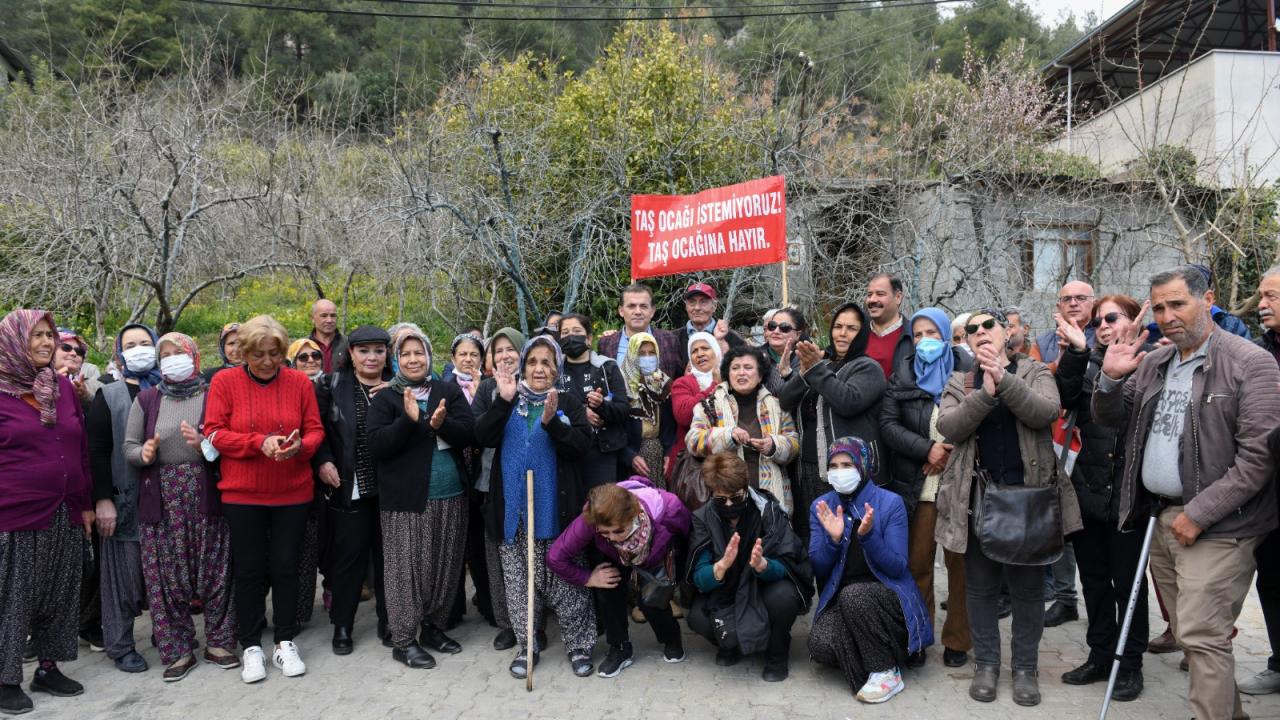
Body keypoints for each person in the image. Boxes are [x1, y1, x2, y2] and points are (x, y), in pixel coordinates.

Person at [1093, 265, 1280, 720]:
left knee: (1200, 633)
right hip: (1160, 520)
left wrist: (1198, 514)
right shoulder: (1156, 361)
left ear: (1208, 298)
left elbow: (1258, 457)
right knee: (1194, 633)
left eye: (1178, 303)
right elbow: (1110, 419)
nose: (1167, 315)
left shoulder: (1251, 362)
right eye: (1159, 307)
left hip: (1220, 525)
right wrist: (1111, 379)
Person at [935, 307, 1082, 707]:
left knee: (1027, 591)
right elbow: (949, 426)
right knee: (980, 590)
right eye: (972, 330)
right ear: (966, 341)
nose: (980, 332)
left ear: (1006, 334)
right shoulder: (960, 380)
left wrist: (1004, 379)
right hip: (978, 500)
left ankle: (1025, 669)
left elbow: (1045, 412)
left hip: (1029, 501)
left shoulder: (1034, 370)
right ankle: (986, 665)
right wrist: (985, 392)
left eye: (988, 326)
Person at [203, 314, 324, 684]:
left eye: (275, 354)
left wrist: (300, 447)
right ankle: (251, 644)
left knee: (287, 566)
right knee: (250, 569)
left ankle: (285, 640)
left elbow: (316, 430)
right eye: (259, 355)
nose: (268, 362)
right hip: (243, 493)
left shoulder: (299, 382)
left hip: (292, 491)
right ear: (244, 353)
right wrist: (259, 443)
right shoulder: (225, 381)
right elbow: (214, 433)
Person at [474, 335, 596, 680]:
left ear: (556, 368)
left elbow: (581, 446)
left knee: (563, 578)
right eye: (533, 362)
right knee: (518, 582)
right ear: (523, 365)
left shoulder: (568, 402)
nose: (539, 368)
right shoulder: (508, 399)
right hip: (512, 507)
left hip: (554, 508)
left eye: (546, 362)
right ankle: (527, 646)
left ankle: (578, 644)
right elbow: (481, 436)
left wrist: (553, 422)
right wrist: (503, 401)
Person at [122, 332, 238, 681]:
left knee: (217, 570)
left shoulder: (214, 394)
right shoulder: (146, 400)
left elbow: (227, 444)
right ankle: (177, 650)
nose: (173, 358)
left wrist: (204, 443)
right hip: (161, 496)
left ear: (194, 356)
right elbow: (128, 446)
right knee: (166, 577)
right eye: (166, 353)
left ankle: (219, 641)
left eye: (179, 352)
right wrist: (143, 454)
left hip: (206, 493)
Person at [1053, 295, 1150, 701]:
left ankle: (1129, 664)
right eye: (1097, 322)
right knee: (1093, 580)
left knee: (1129, 584)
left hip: (1129, 494)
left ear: (1132, 320)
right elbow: (1065, 397)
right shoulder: (1090, 362)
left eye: (1112, 318)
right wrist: (1076, 353)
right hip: (1087, 492)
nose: (1103, 326)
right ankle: (1099, 654)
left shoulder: (1152, 364)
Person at [0, 309, 93, 715]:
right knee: (14, 598)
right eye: (35, 335)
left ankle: (49, 668)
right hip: (15, 512)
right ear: (13, 341)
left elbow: (81, 449)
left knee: (59, 593)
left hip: (65, 509)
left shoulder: (62, 388)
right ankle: (5, 679)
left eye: (49, 335)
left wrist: (86, 503)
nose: (44, 343)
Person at [368, 327, 476, 669]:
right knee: (407, 572)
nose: (414, 359)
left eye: (419, 353)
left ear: (429, 356)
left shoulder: (448, 391)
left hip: (452, 495)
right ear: (397, 359)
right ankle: (403, 640)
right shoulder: (386, 398)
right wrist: (410, 422)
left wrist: (440, 424)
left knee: (444, 568)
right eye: (406, 354)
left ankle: (432, 628)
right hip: (405, 502)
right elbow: (377, 445)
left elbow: (468, 433)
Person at [880, 307, 973, 669]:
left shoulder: (967, 373)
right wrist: (926, 448)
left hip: (959, 486)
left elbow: (981, 416)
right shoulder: (902, 376)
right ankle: (918, 636)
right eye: (917, 335)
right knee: (917, 566)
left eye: (931, 334)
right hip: (917, 486)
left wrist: (948, 452)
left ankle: (958, 640)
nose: (924, 342)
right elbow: (888, 425)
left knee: (960, 568)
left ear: (946, 335)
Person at [808, 437, 933, 703]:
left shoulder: (890, 503)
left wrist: (868, 537)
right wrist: (833, 540)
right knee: (820, 644)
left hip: (887, 599)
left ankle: (885, 672)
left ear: (864, 465)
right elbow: (817, 567)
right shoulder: (822, 505)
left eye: (847, 464)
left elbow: (898, 567)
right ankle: (891, 653)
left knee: (855, 595)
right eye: (834, 465)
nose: (840, 472)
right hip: (844, 602)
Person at [685, 452, 812, 682]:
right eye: (721, 500)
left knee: (784, 597)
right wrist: (720, 567)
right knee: (697, 617)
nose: (730, 504)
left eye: (736, 497)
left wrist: (763, 565)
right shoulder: (702, 518)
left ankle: (777, 653)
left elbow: (790, 566)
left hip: (761, 589)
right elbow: (698, 576)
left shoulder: (768, 511)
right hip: (725, 592)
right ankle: (730, 644)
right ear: (712, 494)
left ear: (746, 488)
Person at [547, 478, 691, 677]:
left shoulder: (670, 509)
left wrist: (675, 574)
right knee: (607, 583)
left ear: (634, 516)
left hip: (660, 552)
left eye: (618, 531)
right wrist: (588, 578)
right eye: (604, 533)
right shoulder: (593, 517)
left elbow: (689, 539)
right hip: (616, 557)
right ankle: (619, 647)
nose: (612, 537)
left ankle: (672, 638)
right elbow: (555, 556)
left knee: (652, 600)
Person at [312, 326, 392, 656]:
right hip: (350, 484)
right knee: (350, 558)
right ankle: (342, 624)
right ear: (351, 354)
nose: (372, 357)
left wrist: (394, 396)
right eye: (364, 350)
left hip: (391, 487)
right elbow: (317, 430)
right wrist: (323, 461)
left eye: (379, 350)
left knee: (390, 559)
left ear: (388, 354)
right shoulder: (332, 385)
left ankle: (390, 620)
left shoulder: (398, 387)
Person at [87, 323, 162, 674]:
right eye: (131, 345)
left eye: (146, 343)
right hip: (124, 497)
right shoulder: (110, 393)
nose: (139, 349)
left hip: (166, 499)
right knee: (124, 579)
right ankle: (120, 645)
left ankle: (168, 632)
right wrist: (103, 500)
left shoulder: (171, 389)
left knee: (165, 574)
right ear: (119, 353)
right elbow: (97, 451)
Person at [777, 302, 886, 543]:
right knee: (813, 539)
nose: (842, 333)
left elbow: (847, 401)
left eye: (851, 328)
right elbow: (785, 399)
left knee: (844, 539)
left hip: (844, 473)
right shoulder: (822, 364)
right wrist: (807, 370)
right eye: (838, 326)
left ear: (863, 333)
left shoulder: (868, 367)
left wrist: (815, 368)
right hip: (808, 470)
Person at [688, 346, 799, 515]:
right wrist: (728, 436)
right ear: (728, 374)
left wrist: (773, 446)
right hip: (726, 496)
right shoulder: (709, 405)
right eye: (735, 368)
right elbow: (693, 441)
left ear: (760, 375)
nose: (741, 373)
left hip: (770, 498)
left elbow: (794, 443)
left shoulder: (777, 406)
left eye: (748, 368)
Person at [471, 327, 526, 652]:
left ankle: (532, 620)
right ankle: (507, 622)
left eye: (511, 349)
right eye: (499, 350)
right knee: (498, 557)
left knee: (530, 553)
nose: (505, 355)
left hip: (530, 482)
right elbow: (478, 431)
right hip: (493, 482)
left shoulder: (536, 382)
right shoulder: (487, 387)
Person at [1241, 265, 1280, 695]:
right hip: (1269, 489)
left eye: (1271, 296)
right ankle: (1278, 661)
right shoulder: (1256, 354)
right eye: (1260, 295)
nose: (1262, 305)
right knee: (1271, 578)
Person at [444, 332, 497, 629]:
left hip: (481, 472)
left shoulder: (489, 387)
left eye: (474, 354)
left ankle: (489, 604)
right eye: (462, 354)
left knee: (479, 542)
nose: (468, 359)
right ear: (453, 358)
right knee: (454, 542)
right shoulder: (442, 387)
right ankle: (452, 609)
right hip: (454, 469)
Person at [556, 313, 632, 488]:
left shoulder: (607, 367)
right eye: (565, 333)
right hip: (567, 453)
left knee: (602, 509)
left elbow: (623, 409)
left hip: (602, 452)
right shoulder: (554, 372)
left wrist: (602, 406)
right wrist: (582, 413)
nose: (570, 336)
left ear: (589, 338)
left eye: (576, 331)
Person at [596, 284, 683, 379]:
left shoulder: (669, 340)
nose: (638, 312)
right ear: (621, 311)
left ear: (652, 311)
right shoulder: (606, 343)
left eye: (643, 306)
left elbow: (679, 379)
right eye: (631, 306)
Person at [621, 332, 673, 488]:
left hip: (657, 454)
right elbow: (616, 428)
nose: (647, 357)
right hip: (630, 455)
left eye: (652, 353)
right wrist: (629, 455)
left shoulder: (662, 383)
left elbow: (669, 424)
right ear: (632, 355)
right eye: (642, 353)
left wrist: (669, 453)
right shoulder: (620, 382)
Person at [667, 332, 722, 476]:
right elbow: (684, 416)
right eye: (694, 351)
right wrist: (714, 386)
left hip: (725, 459)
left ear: (716, 351)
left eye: (705, 348)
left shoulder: (731, 377)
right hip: (692, 465)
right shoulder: (682, 383)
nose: (700, 354)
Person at [673, 282, 745, 368]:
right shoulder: (673, 338)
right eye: (692, 302)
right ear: (686, 307)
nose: (697, 308)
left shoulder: (731, 338)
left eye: (703, 302)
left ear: (714, 306)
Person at [1031, 280, 1096, 371]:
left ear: (1094, 304)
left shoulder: (1105, 337)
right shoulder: (1041, 342)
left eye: (1081, 298)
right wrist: (1058, 362)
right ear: (1059, 307)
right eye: (1066, 299)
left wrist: (1081, 351)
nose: (1073, 303)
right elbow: (1033, 377)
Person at [864, 273, 913, 378]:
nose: (872, 300)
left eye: (880, 294)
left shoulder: (913, 336)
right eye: (869, 294)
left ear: (898, 297)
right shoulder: (856, 333)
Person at [53, 329, 101, 408]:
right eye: (66, 347)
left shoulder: (75, 383)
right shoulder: (32, 378)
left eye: (79, 352)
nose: (74, 354)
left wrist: (84, 396)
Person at [759, 307, 803, 392]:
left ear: (798, 334)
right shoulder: (753, 355)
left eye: (784, 327)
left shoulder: (808, 360)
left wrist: (789, 374)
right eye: (772, 326)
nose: (776, 331)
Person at [309, 299, 349, 375]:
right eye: (324, 316)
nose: (329, 320)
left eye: (333, 316)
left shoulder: (348, 344)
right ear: (312, 318)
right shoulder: (303, 345)